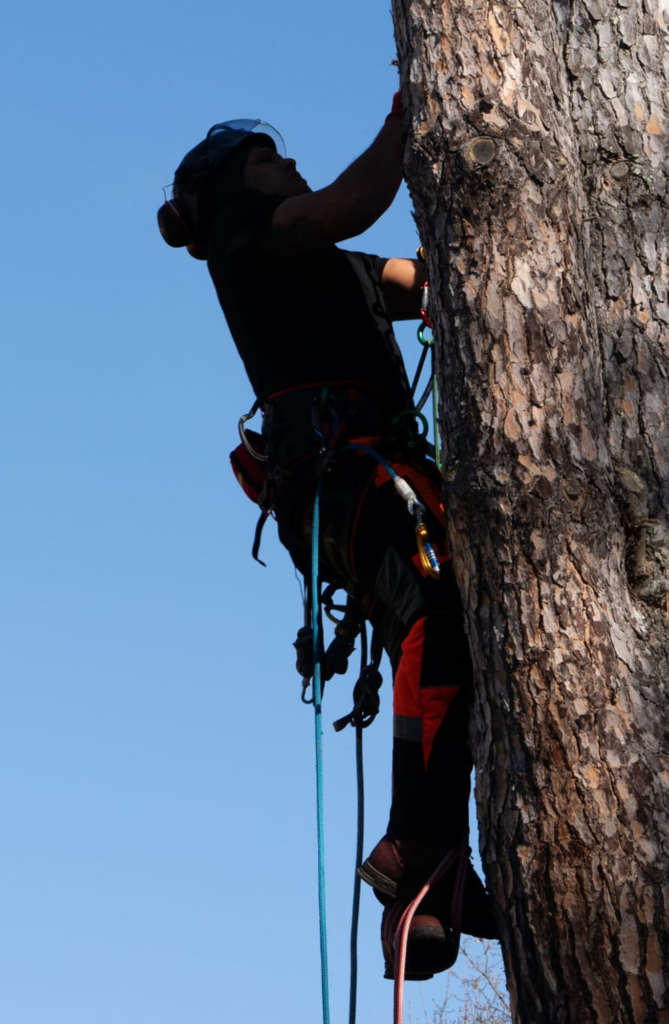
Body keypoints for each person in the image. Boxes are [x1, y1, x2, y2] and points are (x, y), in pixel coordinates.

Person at [157, 104, 497, 980]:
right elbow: (346, 204)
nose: (290, 163)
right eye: (270, 158)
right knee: (440, 618)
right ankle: (417, 848)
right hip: (347, 484)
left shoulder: (323, 267)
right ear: (233, 185)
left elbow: (415, 281)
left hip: (366, 487)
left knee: (447, 644)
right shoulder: (243, 236)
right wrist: (409, 117)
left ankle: (425, 880)